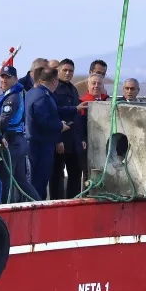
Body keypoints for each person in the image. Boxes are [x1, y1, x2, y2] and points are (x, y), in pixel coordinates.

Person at [0, 65, 39, 203]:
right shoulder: (12, 94)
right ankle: (39, 203)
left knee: (4, 181)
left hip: (11, 144)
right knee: (20, 180)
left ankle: (4, 211)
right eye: (2, 77)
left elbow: (2, 122)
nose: (4, 80)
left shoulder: (12, 98)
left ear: (16, 79)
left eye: (8, 77)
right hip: (17, 142)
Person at [25, 67, 72, 199]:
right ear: (53, 81)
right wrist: (60, 126)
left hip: (35, 142)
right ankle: (36, 208)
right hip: (40, 144)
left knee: (35, 179)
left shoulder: (32, 93)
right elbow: (43, 121)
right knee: (39, 180)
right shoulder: (42, 97)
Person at [51, 58, 86, 199]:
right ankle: (55, 203)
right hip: (60, 139)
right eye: (64, 70)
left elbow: (77, 116)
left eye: (70, 71)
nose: (67, 73)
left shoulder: (73, 89)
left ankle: (73, 201)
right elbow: (54, 114)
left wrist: (81, 138)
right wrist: (58, 140)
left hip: (73, 140)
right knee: (57, 176)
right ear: (58, 71)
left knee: (75, 175)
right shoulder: (54, 89)